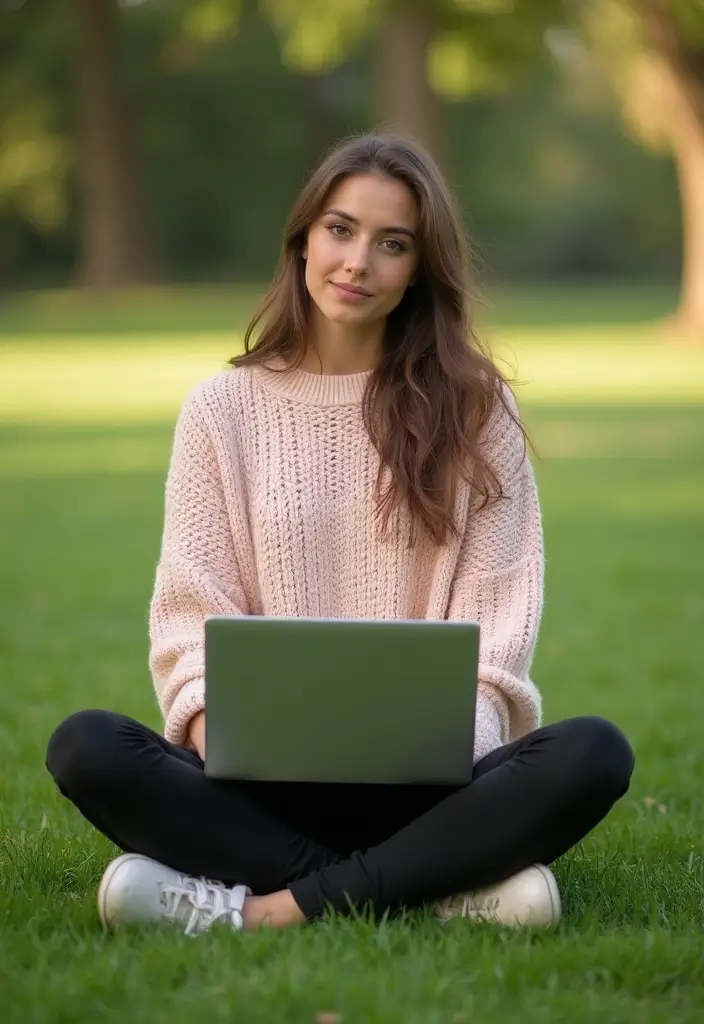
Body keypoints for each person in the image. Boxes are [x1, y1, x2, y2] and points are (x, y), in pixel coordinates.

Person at [46, 132, 634, 937]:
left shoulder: (476, 410)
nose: (358, 262)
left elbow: (498, 638)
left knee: (595, 752)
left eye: (393, 245)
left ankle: (258, 908)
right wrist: (226, 733)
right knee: (87, 746)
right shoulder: (221, 411)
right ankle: (442, 887)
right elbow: (188, 617)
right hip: (258, 782)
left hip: (432, 782)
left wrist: (431, 749)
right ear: (303, 239)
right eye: (341, 229)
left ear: (421, 268)